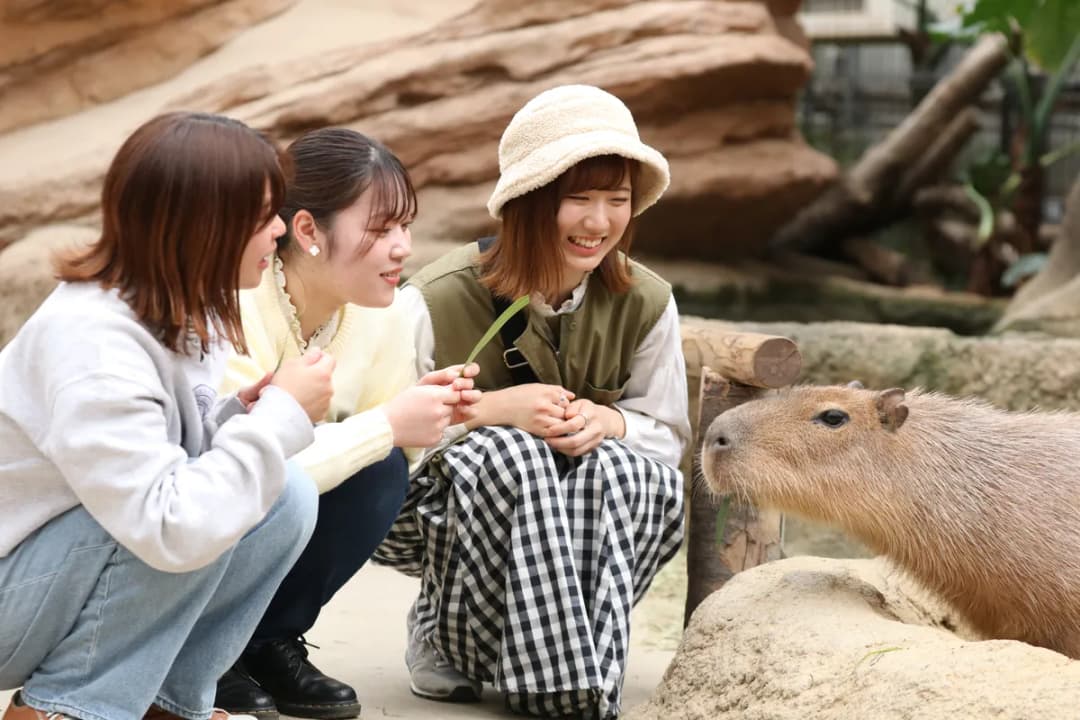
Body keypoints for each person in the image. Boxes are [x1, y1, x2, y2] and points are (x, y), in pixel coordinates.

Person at [0, 112, 335, 720]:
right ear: (206, 225)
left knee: (285, 494)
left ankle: (160, 701)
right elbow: (167, 524)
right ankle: (68, 707)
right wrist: (277, 417)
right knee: (180, 514)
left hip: (42, 577)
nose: (280, 230)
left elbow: (169, 457)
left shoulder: (180, 310)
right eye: (264, 216)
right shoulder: (94, 342)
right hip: (8, 593)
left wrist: (242, 415)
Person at [377, 84, 691, 719]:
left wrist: (611, 420)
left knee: (616, 469)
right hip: (434, 522)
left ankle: (555, 663)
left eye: (618, 199)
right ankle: (457, 637)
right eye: (577, 198)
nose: (599, 222)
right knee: (511, 456)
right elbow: (379, 443)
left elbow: (669, 438)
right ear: (526, 202)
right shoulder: (434, 298)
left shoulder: (648, 301)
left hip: (583, 523)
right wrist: (491, 412)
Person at [214, 127, 479, 720]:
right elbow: (237, 475)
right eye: (381, 229)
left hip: (280, 506)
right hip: (205, 521)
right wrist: (388, 421)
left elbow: (392, 452)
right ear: (307, 230)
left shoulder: (380, 312)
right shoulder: (236, 302)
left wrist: (439, 414)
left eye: (405, 226)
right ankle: (208, 649)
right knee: (357, 456)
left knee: (381, 472)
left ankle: (267, 641)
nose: (403, 247)